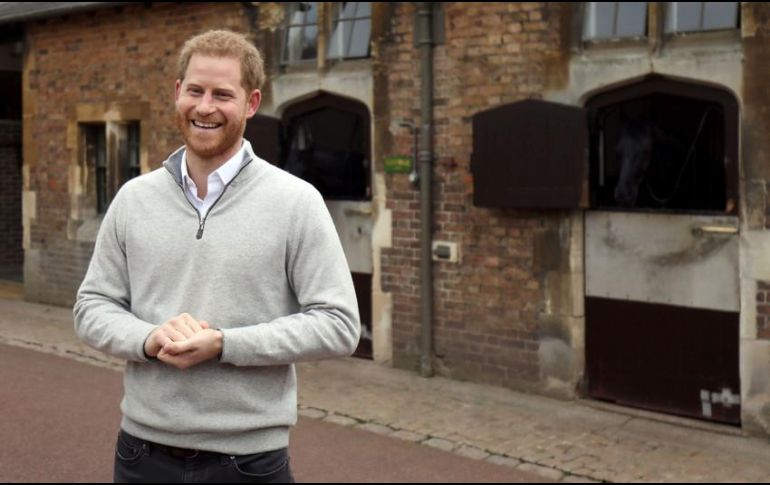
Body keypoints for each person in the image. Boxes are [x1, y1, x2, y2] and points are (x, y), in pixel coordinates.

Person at [73, 29, 360, 483]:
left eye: (223, 95)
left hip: (248, 461)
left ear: (251, 103)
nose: (205, 107)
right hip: (141, 454)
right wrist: (149, 338)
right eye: (195, 91)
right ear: (177, 93)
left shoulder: (295, 202)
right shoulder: (134, 198)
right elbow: (92, 306)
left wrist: (226, 344)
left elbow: (339, 324)